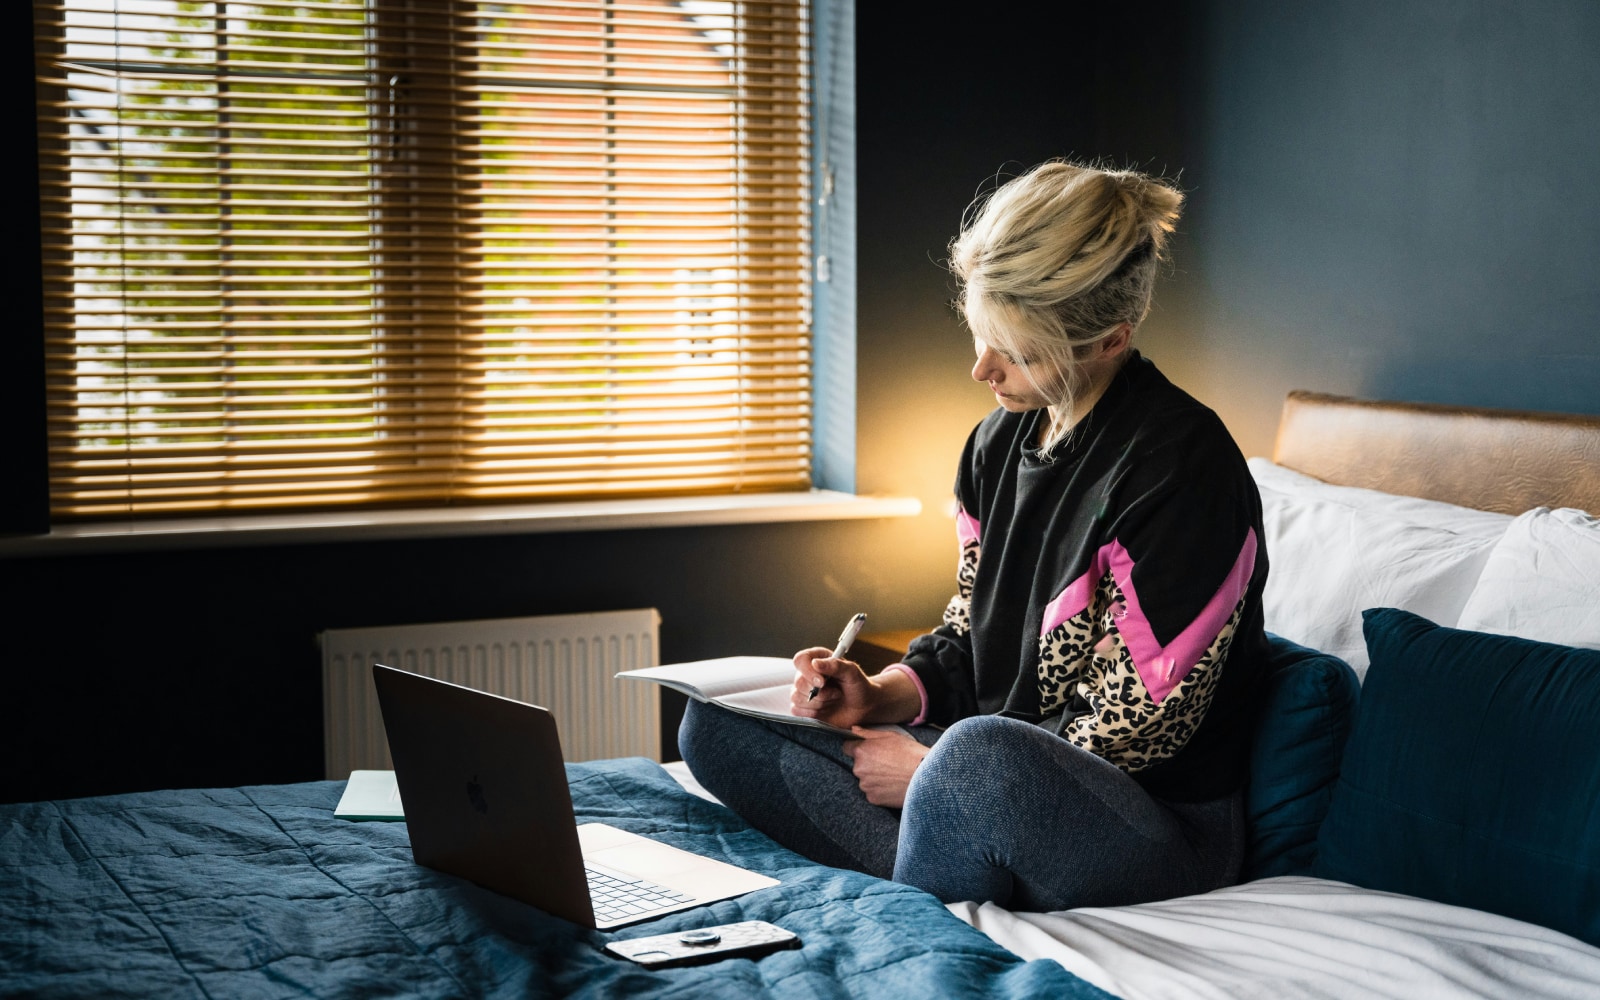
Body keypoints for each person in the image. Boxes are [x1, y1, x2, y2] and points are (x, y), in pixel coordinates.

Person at [679, 159, 1270, 912]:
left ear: (1109, 340)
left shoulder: (1182, 469)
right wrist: (878, 697)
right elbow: (967, 633)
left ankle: (935, 849)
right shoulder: (996, 443)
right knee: (716, 722)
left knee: (976, 760)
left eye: (1015, 351)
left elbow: (1133, 731)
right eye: (982, 334)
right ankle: (946, 847)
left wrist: (926, 767)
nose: (980, 367)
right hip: (984, 773)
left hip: (1152, 826)